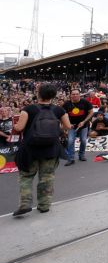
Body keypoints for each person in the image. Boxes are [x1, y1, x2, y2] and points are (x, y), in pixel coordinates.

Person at [13, 83, 72, 216]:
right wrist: (56, 129)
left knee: (26, 177)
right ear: (53, 95)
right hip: (51, 149)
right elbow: (67, 126)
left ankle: (25, 204)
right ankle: (44, 205)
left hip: (30, 149)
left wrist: (16, 125)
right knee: (47, 177)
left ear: (38, 94)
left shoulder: (28, 109)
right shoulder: (59, 110)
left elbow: (19, 128)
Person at [62, 89, 94, 166]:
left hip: (83, 125)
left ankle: (81, 155)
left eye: (76, 94)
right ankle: (71, 158)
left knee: (83, 140)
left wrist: (83, 122)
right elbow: (63, 116)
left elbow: (91, 112)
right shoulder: (66, 104)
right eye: (73, 94)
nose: (75, 96)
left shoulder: (85, 102)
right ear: (70, 95)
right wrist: (68, 124)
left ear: (80, 95)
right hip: (71, 126)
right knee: (70, 141)